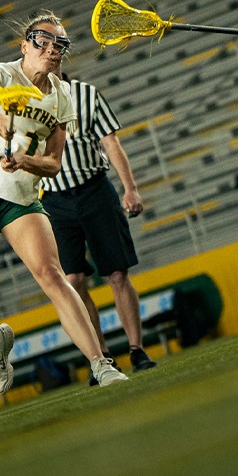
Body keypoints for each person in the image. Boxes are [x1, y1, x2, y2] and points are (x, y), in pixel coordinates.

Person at [0, 12, 129, 393]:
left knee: (53, 275)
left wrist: (25, 161)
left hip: (19, 194)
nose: (52, 48)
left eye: (59, 44)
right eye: (42, 40)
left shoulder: (61, 96)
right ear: (25, 45)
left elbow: (54, 163)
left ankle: (101, 364)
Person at [41, 69, 157, 379]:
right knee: (73, 280)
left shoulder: (86, 95)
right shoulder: (25, 105)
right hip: (54, 200)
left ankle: (137, 349)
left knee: (117, 272)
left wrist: (129, 187)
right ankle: (102, 357)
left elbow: (111, 142)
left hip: (94, 189)